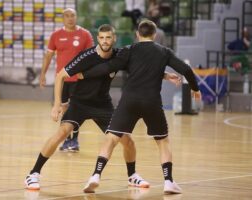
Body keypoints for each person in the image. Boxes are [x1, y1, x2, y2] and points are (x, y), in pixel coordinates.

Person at [25, 24, 180, 191]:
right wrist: (57, 104)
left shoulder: (120, 55)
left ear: (114, 38)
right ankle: (33, 174)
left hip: (103, 104)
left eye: (108, 37)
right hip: (80, 103)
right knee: (62, 133)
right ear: (97, 39)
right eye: (101, 37)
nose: (105, 41)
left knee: (127, 141)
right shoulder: (86, 56)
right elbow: (60, 76)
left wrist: (164, 75)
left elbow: (139, 69)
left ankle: (132, 176)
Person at [82, 20, 201, 194]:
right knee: (162, 141)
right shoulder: (164, 52)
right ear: (154, 35)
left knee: (111, 138)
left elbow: (108, 67)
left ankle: (95, 175)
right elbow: (186, 70)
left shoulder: (129, 50)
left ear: (138, 34)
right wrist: (195, 88)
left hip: (129, 100)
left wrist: (83, 74)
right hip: (151, 101)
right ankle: (168, 182)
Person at [39, 8, 94, 152]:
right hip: (62, 81)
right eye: (67, 16)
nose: (70, 18)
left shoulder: (85, 34)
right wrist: (43, 74)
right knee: (63, 109)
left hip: (79, 80)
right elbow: (48, 56)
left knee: (76, 109)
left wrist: (90, 76)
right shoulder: (56, 35)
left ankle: (74, 140)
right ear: (63, 18)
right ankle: (65, 140)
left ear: (77, 17)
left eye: (73, 15)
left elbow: (92, 57)